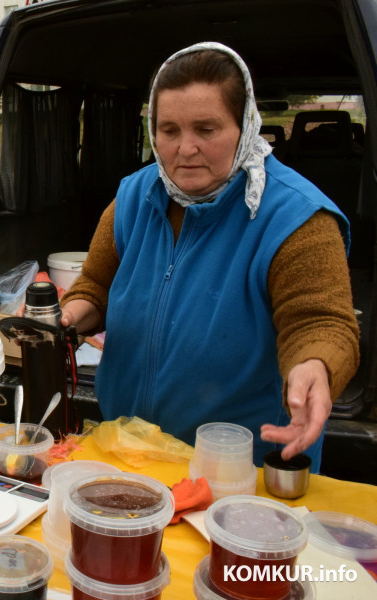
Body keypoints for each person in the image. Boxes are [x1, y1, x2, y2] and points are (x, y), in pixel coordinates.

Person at [59, 42, 360, 471]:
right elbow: (97, 287)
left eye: (206, 129)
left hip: (240, 471)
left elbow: (321, 322)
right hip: (128, 451)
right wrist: (66, 318)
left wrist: (315, 366)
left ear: (245, 126)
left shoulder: (295, 217)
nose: (185, 149)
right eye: (169, 130)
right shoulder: (132, 197)